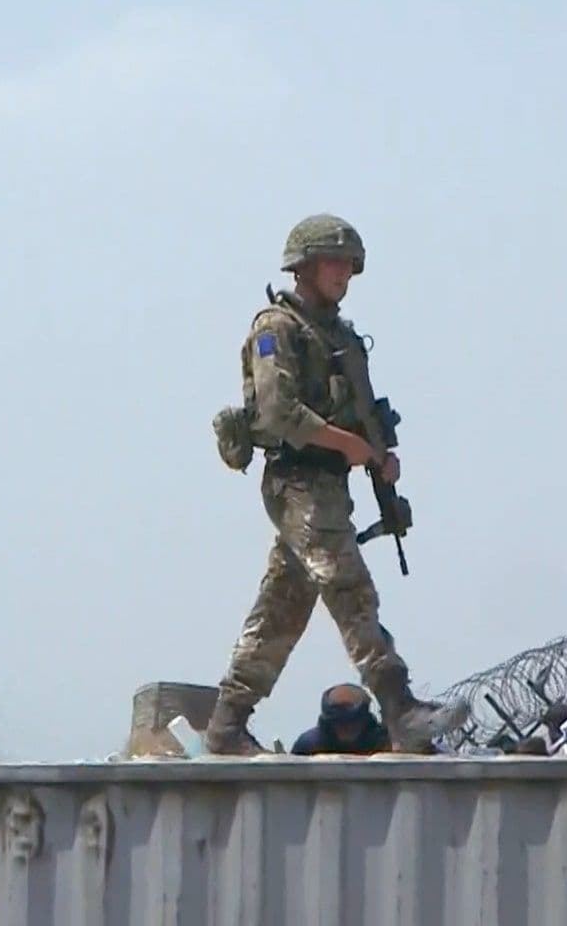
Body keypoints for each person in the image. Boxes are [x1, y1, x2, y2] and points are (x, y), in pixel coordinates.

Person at [204, 215, 469, 755]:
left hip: (331, 485)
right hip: (296, 481)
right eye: (333, 263)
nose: (343, 275)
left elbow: (364, 416)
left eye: (349, 266)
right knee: (349, 588)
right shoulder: (276, 329)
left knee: (283, 606)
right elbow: (279, 413)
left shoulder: (342, 338)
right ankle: (401, 710)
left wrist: (379, 459)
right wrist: (347, 445)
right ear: (302, 266)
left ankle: (227, 723)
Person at [290, 684, 392, 756]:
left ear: (364, 720)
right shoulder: (309, 746)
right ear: (329, 722)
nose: (346, 728)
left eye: (352, 722)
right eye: (339, 723)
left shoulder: (383, 743)